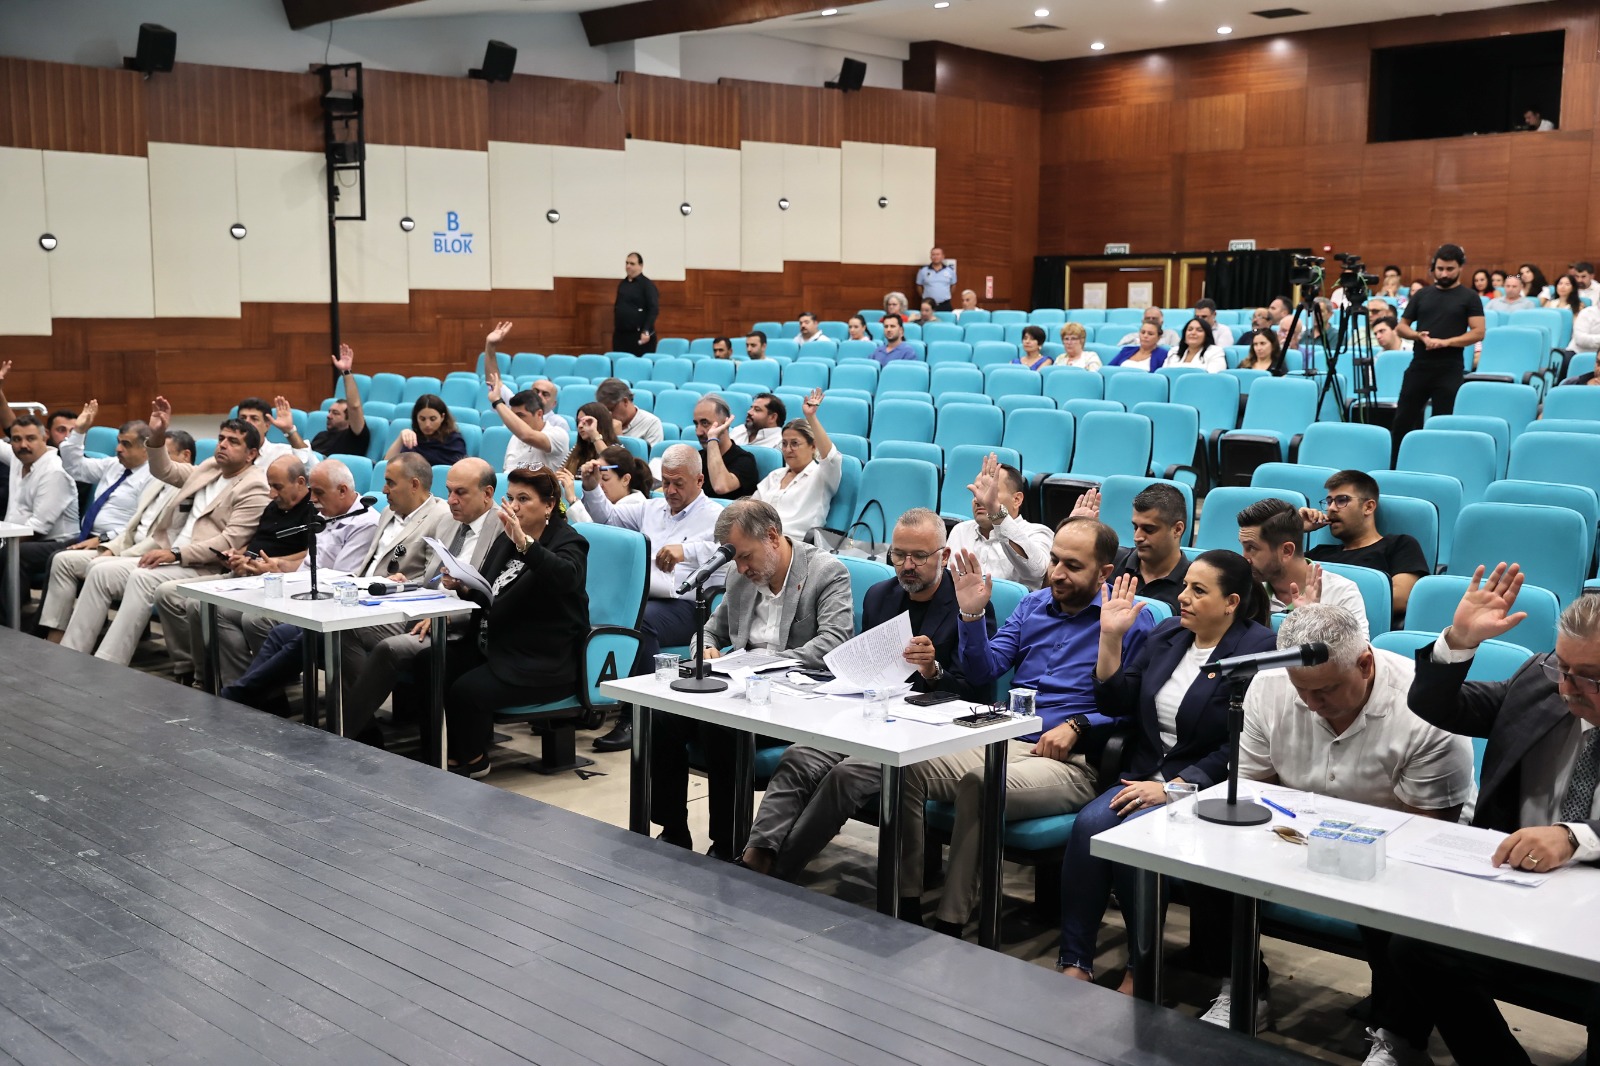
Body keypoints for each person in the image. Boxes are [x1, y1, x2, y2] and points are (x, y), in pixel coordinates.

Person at [1233, 603, 1473, 1055]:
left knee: (1402, 895)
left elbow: (1421, 831)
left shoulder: (1425, 708)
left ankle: (1400, 1034)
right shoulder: (1269, 687)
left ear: (1365, 664)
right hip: (1296, 829)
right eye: (1300, 689)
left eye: (1324, 690)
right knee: (1216, 852)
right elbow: (1254, 791)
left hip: (1403, 840)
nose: (1310, 703)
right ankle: (1242, 985)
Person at [1395, 563, 1600, 1066]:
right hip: (1522, 896)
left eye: (1590, 677)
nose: (1567, 689)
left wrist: (1576, 838)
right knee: (1416, 948)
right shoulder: (1539, 681)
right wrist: (1459, 641)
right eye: (1564, 667)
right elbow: (1437, 704)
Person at [912, 517, 1156, 936]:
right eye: (1055, 560)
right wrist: (971, 616)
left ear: (1104, 573)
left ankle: (949, 923)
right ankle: (904, 901)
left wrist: (1082, 724)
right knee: (910, 767)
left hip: (1071, 760)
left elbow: (1136, 707)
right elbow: (983, 669)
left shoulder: (1127, 618)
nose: (1057, 573)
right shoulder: (1032, 605)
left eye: (1073, 566)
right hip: (1004, 734)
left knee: (979, 781)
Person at [738, 508, 993, 892]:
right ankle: (757, 854)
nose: (907, 566)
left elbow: (978, 690)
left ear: (942, 556)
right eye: (898, 554)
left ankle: (777, 875)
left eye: (919, 557)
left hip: (926, 733)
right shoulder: (880, 596)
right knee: (800, 756)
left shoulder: (968, 603)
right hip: (870, 713)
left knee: (847, 776)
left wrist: (933, 671)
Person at [1057, 551, 1276, 990]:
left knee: (1132, 837)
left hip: (1205, 786)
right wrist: (1110, 640)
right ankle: (1076, 959)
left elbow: (1243, 744)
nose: (1183, 597)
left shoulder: (1257, 649)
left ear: (1231, 602)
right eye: (1185, 587)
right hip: (1143, 774)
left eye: (1198, 590)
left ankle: (1143, 969)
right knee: (1088, 826)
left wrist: (1177, 787)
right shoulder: (1167, 634)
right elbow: (1114, 702)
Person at [651, 499, 852, 858]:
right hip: (739, 690)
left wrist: (762, 663)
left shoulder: (826, 572)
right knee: (663, 714)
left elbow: (835, 642)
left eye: (746, 557)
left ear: (772, 537)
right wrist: (704, 650)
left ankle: (727, 842)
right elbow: (710, 630)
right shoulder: (738, 577)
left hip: (793, 700)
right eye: (736, 560)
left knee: (722, 727)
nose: (741, 568)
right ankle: (673, 829)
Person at [60, 400, 268, 667]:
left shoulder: (254, 486)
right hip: (172, 555)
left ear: (251, 454)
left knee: (142, 578)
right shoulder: (209, 469)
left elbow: (228, 542)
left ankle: (109, 663)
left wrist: (175, 553)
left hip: (204, 565)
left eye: (233, 442)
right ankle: (72, 653)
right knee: (100, 571)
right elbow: (163, 469)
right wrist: (157, 435)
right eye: (221, 439)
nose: (223, 445)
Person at [444, 466, 588, 778]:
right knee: (431, 663)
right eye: (510, 498)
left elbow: (566, 577)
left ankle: (472, 759)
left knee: (465, 691)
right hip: (498, 644)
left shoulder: (568, 542)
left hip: (540, 660)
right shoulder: (508, 536)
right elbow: (491, 593)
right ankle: (446, 752)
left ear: (549, 505)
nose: (514, 506)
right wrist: (464, 586)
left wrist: (528, 546)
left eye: (524, 498)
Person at [579, 443, 723, 753]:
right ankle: (587, 699)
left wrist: (688, 550)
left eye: (678, 483)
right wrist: (591, 488)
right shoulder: (651, 508)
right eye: (666, 482)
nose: (669, 490)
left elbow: (733, 550)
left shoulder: (716, 516)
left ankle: (639, 717)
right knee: (592, 608)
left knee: (640, 621)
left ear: (699, 481)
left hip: (692, 605)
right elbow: (608, 519)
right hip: (647, 598)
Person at [207, 459, 382, 711]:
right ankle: (256, 695)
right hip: (303, 592)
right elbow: (308, 567)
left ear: (342, 491)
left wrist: (283, 577)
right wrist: (276, 568)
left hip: (328, 605)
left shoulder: (364, 523)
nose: (312, 500)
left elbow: (340, 580)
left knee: (256, 620)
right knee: (222, 611)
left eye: (319, 492)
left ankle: (248, 696)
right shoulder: (325, 516)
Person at [333, 454, 463, 747]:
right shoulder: (387, 513)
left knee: (348, 631)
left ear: (414, 484)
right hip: (367, 594)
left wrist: (406, 585)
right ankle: (360, 728)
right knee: (331, 630)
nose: (384, 490)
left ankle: (347, 730)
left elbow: (434, 578)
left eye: (391, 483)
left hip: (404, 608)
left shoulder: (441, 517)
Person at [39, 431, 191, 643]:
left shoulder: (186, 489)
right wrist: (112, 547)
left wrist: (117, 551)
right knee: (63, 560)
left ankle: (82, 646)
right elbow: (131, 527)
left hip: (150, 554)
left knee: (99, 568)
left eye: (165, 454)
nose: (158, 461)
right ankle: (56, 634)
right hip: (124, 545)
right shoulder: (155, 480)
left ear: (186, 456)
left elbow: (164, 538)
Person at [38, 403, 152, 599]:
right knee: (45, 557)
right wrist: (80, 431)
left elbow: (141, 525)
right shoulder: (113, 465)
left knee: (59, 559)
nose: (118, 449)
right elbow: (74, 467)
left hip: (116, 542)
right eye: (118, 442)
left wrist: (103, 539)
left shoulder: (152, 477)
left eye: (126, 444)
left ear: (146, 448)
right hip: (88, 535)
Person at [1393, 243, 1485, 454]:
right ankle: (1396, 465)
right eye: (1440, 268)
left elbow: (1478, 332)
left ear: (1460, 267)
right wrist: (1418, 336)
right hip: (1419, 365)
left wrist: (1447, 342)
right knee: (1403, 422)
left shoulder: (1469, 297)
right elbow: (1401, 327)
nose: (1444, 273)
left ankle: (1437, 464)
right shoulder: (1422, 295)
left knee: (1443, 424)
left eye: (1449, 269)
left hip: (1450, 367)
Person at [1303, 469, 1429, 623]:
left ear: (1368, 507)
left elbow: (1399, 599)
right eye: (1329, 501)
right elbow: (1281, 581)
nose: (1331, 508)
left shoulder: (1399, 545)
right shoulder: (1320, 553)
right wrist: (1295, 528)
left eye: (1342, 500)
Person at [1236, 497, 1369, 639]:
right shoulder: (1244, 589)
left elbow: (1359, 656)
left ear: (1287, 551)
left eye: (1251, 548)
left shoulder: (1341, 592)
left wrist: (1311, 620)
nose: (1245, 558)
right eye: (1243, 546)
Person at [945, 455, 1052, 588]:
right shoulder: (960, 531)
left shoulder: (1038, 533)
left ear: (1017, 499)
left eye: (990, 492)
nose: (979, 499)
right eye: (977, 492)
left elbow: (1036, 571)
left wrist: (997, 514)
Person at [752, 389, 840, 538]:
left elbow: (832, 458)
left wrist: (810, 417)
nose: (788, 449)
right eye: (784, 444)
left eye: (794, 443)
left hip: (795, 544)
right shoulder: (775, 475)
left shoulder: (822, 475)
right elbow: (752, 507)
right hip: (760, 538)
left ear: (813, 446)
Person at [1100, 483, 1190, 613]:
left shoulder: (1193, 584)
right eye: (1135, 527)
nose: (1137, 537)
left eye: (1148, 529)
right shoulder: (1110, 561)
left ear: (1177, 529)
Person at [486, 365, 569, 472]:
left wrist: (497, 401)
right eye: (513, 416)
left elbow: (527, 435)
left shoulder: (558, 434)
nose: (515, 421)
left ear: (539, 414)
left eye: (521, 416)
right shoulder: (515, 438)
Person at [559, 444, 650, 523]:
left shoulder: (636, 506)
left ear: (625, 479)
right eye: (597, 479)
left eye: (605, 478)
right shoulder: (600, 501)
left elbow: (598, 531)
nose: (599, 485)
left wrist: (573, 500)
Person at [695, 396, 759, 500]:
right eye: (696, 424)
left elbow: (720, 486)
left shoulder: (745, 460)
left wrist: (712, 438)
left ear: (725, 424)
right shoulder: (697, 458)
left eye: (705, 423)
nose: (698, 432)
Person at [313, 345, 372, 459]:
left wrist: (346, 372)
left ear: (349, 419)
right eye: (329, 412)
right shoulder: (321, 436)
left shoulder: (355, 437)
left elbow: (354, 406)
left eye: (335, 413)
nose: (329, 416)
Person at [233, 396, 316, 470]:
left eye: (254, 419)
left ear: (267, 425)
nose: (247, 423)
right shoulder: (228, 452)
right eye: (243, 418)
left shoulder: (282, 454)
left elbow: (311, 470)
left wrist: (289, 430)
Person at [385, 394, 466, 467]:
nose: (427, 424)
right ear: (416, 418)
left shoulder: (454, 440)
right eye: (422, 419)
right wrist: (401, 438)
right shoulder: (412, 439)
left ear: (442, 417)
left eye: (433, 419)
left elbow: (458, 470)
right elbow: (386, 465)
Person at [613, 251, 659, 356]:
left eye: (632, 264)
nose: (628, 266)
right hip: (621, 336)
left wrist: (646, 330)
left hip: (639, 336)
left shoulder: (647, 285)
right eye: (627, 263)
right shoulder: (622, 284)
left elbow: (654, 309)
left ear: (641, 266)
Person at [594, 378, 663, 446]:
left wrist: (619, 438)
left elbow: (651, 457)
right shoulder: (602, 422)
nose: (609, 415)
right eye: (605, 411)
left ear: (625, 401)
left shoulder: (651, 423)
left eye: (611, 409)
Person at [561, 402, 618, 475]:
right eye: (578, 422)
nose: (580, 426)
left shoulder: (617, 449)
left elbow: (609, 464)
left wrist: (594, 434)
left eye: (587, 422)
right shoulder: (577, 448)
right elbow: (560, 474)